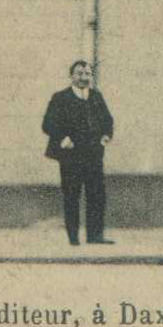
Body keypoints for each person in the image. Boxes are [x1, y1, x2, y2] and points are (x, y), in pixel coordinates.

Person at [42, 59, 114, 246]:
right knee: (72, 196)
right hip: (71, 157)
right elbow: (48, 123)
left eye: (88, 74)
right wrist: (62, 138)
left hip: (93, 155)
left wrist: (106, 136)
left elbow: (108, 120)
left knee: (96, 195)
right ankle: (73, 238)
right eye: (80, 74)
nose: (84, 78)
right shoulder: (60, 98)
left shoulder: (96, 97)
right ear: (71, 76)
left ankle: (95, 236)